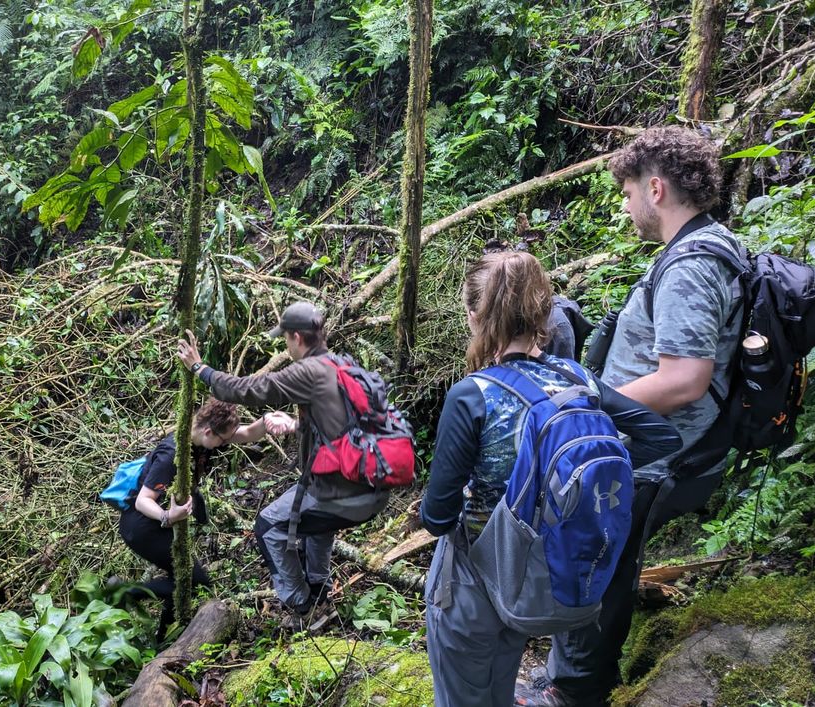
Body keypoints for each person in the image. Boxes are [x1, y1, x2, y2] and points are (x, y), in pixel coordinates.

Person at [515, 127, 744, 706]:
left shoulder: (692, 264)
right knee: (606, 560)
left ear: (656, 188)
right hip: (652, 447)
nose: (625, 205)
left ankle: (573, 691)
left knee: (599, 564)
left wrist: (584, 411)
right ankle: (577, 677)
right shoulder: (703, 248)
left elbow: (684, 377)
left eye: (626, 192)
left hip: (655, 453)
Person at [421, 251, 681, 707]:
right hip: (536, 576)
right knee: (499, 679)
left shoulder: (472, 395)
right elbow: (661, 437)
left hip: (475, 585)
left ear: (473, 314)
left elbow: (438, 517)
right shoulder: (577, 379)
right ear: (544, 313)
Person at [177, 302, 389, 623]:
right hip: (368, 486)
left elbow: (250, 389)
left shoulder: (307, 370)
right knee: (316, 524)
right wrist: (295, 424)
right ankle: (318, 591)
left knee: (267, 527)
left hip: (340, 489)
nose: (286, 346)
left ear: (296, 338)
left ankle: (301, 605)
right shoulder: (342, 366)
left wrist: (200, 369)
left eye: (286, 339)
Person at [120, 398, 295, 642]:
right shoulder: (172, 454)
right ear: (208, 431)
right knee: (194, 580)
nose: (223, 445)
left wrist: (267, 421)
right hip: (142, 528)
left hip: (159, 526)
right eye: (222, 441)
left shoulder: (202, 439)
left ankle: (163, 636)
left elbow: (245, 434)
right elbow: (143, 500)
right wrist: (167, 516)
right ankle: (124, 592)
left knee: (181, 577)